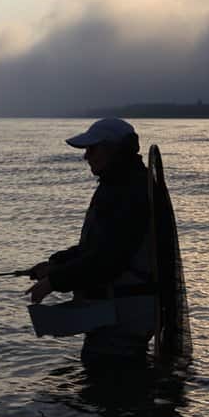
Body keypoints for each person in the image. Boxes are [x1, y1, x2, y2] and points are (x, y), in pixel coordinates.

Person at [27, 118, 155, 366]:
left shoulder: (129, 191)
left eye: (92, 149)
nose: (86, 157)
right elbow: (96, 248)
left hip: (124, 314)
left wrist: (55, 281)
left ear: (113, 149)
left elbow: (110, 259)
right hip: (118, 310)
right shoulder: (119, 185)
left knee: (109, 381)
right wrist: (55, 263)